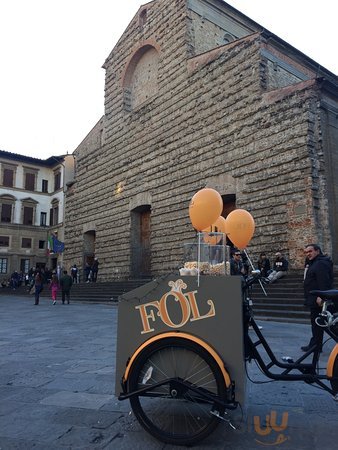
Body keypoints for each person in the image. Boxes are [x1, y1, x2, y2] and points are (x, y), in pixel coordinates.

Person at [301, 244, 334, 352]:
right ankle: (315, 345)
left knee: (322, 324)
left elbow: (324, 281)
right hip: (314, 297)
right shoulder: (314, 263)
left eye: (310, 251)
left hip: (318, 299)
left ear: (317, 251)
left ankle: (315, 345)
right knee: (317, 323)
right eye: (306, 252)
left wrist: (322, 296)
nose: (308, 254)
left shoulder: (320, 263)